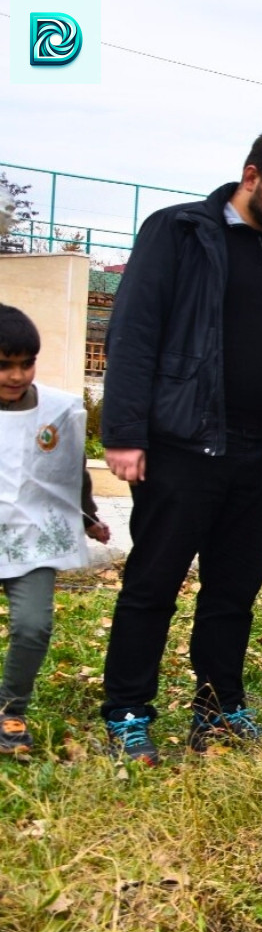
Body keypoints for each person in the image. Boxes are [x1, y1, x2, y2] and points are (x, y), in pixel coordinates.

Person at [99, 128, 262, 764]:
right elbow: (135, 331)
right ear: (251, 175)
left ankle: (219, 707)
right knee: (154, 581)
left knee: (235, 588)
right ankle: (127, 710)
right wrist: (123, 432)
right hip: (183, 444)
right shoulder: (180, 233)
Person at [0, 305, 111, 755]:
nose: (17, 375)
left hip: (31, 539)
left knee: (33, 625)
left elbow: (67, 472)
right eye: (5, 365)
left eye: (26, 363)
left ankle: (11, 709)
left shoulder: (57, 411)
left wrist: (87, 517)